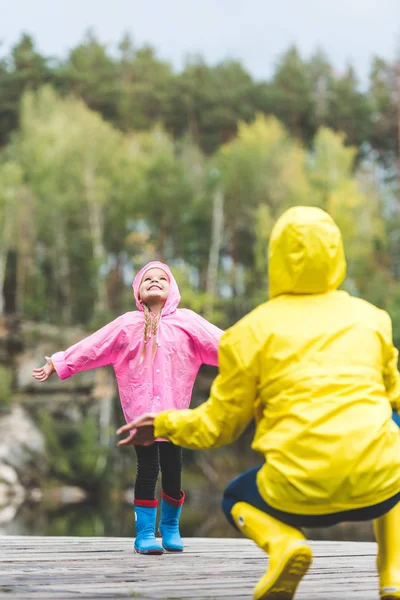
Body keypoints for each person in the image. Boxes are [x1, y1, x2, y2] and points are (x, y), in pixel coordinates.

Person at [117, 208, 400, 600]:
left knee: (234, 496)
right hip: (380, 487)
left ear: (276, 261)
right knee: (393, 430)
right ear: (337, 256)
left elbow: (219, 425)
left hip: (292, 492)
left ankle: (284, 544)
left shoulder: (251, 332)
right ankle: (392, 574)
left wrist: (163, 425)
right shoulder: (373, 319)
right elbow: (393, 395)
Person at [33, 261, 224, 556]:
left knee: (173, 469)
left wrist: (259, 359)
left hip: (175, 416)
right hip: (141, 416)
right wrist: (58, 363)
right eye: (148, 279)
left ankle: (170, 527)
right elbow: (92, 346)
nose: (156, 281)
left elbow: (227, 344)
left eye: (162, 278)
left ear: (172, 289)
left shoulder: (189, 323)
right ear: (138, 290)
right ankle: (145, 533)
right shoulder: (126, 325)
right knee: (148, 469)